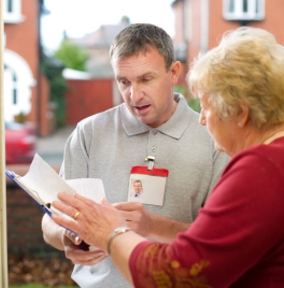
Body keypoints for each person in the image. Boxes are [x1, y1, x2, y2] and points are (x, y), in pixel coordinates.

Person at [51, 26, 284, 288]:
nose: (201, 118)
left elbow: (179, 273)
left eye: (207, 108)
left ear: (241, 113)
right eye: (124, 81)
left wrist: (111, 233)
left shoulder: (261, 169)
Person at [41, 23, 229, 288]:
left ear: (174, 72)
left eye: (146, 79)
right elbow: (51, 220)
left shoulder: (214, 138)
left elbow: (223, 241)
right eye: (124, 82)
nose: (134, 95)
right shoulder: (88, 133)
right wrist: (67, 237)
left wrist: (153, 226)